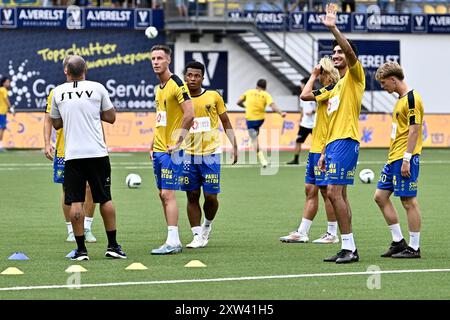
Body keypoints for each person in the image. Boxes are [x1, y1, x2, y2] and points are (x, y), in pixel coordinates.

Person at [50, 55, 126, 261]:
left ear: (66, 71)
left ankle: (81, 250)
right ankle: (113, 246)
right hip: (97, 154)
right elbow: (111, 117)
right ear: (86, 70)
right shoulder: (98, 88)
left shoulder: (57, 93)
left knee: (75, 202)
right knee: (105, 198)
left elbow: (56, 124)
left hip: (73, 155)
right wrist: (92, 111)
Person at [312, 3, 365, 263]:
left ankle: (350, 248)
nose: (336, 54)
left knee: (333, 193)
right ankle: (348, 247)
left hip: (346, 141)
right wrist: (323, 151)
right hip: (333, 144)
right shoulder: (336, 87)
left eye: (340, 51)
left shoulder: (355, 76)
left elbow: (348, 51)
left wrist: (333, 28)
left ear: (349, 55)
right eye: (333, 52)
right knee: (339, 194)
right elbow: (330, 122)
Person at [280, 57, 340, 244]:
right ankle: (302, 232)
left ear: (325, 73)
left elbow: (304, 95)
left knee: (325, 191)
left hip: (325, 146)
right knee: (310, 189)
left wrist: (312, 76)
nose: (318, 75)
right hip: (316, 147)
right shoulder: (328, 90)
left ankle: (332, 233)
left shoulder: (331, 89)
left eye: (320, 72)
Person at [180, 61, 238, 249]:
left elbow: (226, 121)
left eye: (197, 76)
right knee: (192, 195)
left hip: (211, 154)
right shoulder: (180, 99)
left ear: (203, 78)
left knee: (211, 197)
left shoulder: (213, 96)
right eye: (189, 75)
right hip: (188, 154)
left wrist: (235, 146)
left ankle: (207, 225)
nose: (193, 79)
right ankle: (197, 235)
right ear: (185, 77)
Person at [374, 61, 423, 259]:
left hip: (405, 157)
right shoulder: (400, 99)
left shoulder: (412, 98)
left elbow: (414, 130)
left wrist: (406, 159)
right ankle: (398, 241)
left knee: (408, 200)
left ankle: (414, 247)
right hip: (393, 157)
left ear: (393, 80)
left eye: (384, 83)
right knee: (380, 196)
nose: (383, 87)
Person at [149, 45, 194, 255]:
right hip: (159, 150)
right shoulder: (159, 88)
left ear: (168, 60)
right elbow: (161, 120)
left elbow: (190, 114)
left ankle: (174, 241)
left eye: (160, 58)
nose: (156, 62)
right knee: (162, 194)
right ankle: (171, 237)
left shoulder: (177, 83)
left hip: (171, 151)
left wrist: (177, 142)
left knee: (168, 194)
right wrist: (152, 143)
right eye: (153, 58)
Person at [44, 85, 97, 243]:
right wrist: (47, 143)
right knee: (68, 190)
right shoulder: (57, 92)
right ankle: (71, 230)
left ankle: (86, 227)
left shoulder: (92, 90)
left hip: (88, 149)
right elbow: (48, 119)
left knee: (90, 187)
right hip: (64, 150)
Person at [237, 79, 286, 168]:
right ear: (265, 87)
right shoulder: (266, 95)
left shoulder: (248, 92)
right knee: (255, 135)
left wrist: (245, 106)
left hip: (250, 120)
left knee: (254, 140)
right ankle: (254, 138)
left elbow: (238, 102)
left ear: (256, 85)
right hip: (260, 120)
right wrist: (281, 112)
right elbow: (273, 106)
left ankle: (263, 160)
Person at [287, 78, 316, 165]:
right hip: (304, 124)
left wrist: (313, 111)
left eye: (302, 84)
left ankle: (322, 159)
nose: (301, 86)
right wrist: (300, 119)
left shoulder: (315, 94)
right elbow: (302, 109)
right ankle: (295, 159)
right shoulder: (302, 96)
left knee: (319, 142)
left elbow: (321, 106)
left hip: (314, 124)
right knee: (298, 141)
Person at [0, 77, 14, 152]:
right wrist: (11, 108)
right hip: (1, 112)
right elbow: (6, 99)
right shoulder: (3, 90)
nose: (9, 84)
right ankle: (0, 146)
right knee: (2, 128)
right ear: (3, 83)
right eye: (7, 82)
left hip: (3, 112)